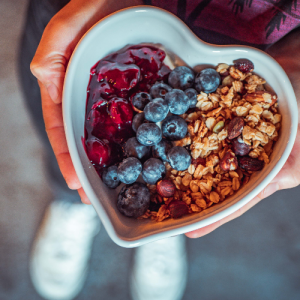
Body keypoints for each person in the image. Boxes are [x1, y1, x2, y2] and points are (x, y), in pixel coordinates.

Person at [19, 0, 300, 299]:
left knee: (85, 158)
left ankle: (160, 227)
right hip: (83, 14)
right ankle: (71, 203)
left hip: (273, 36)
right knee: (66, 155)